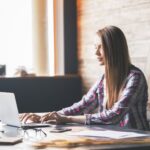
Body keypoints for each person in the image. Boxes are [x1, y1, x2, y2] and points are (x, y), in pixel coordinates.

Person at [20, 26, 149, 130]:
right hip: (113, 139)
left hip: (137, 141)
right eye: (95, 47)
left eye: (101, 47)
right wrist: (45, 116)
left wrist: (67, 119)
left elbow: (114, 116)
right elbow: (82, 106)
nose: (96, 52)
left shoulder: (135, 78)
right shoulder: (104, 79)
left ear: (113, 49)